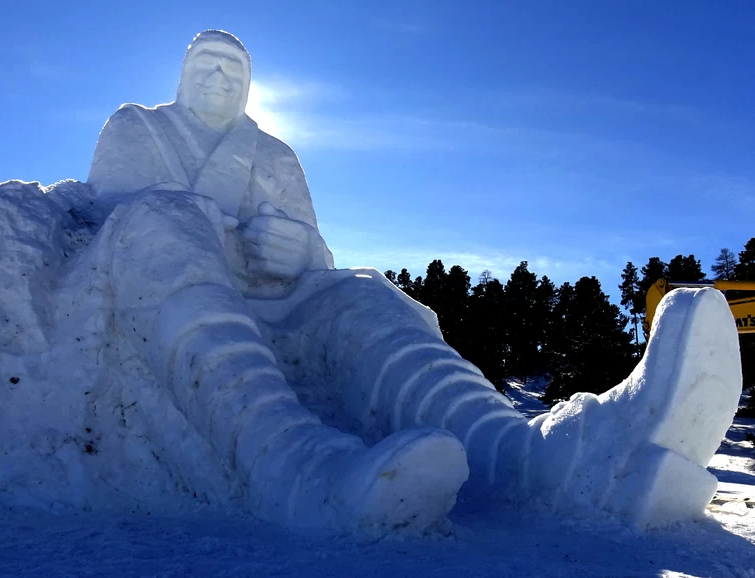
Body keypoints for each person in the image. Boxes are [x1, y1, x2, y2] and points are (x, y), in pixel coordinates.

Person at [86, 29, 742, 533]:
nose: (222, 77)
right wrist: (218, 241)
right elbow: (114, 219)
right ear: (180, 75)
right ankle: (299, 469)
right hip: (179, 304)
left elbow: (315, 246)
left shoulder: (271, 153)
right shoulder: (137, 129)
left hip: (285, 302)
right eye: (208, 66)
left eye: (236, 70)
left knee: (368, 298)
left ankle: (538, 462)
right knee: (159, 220)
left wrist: (298, 251)